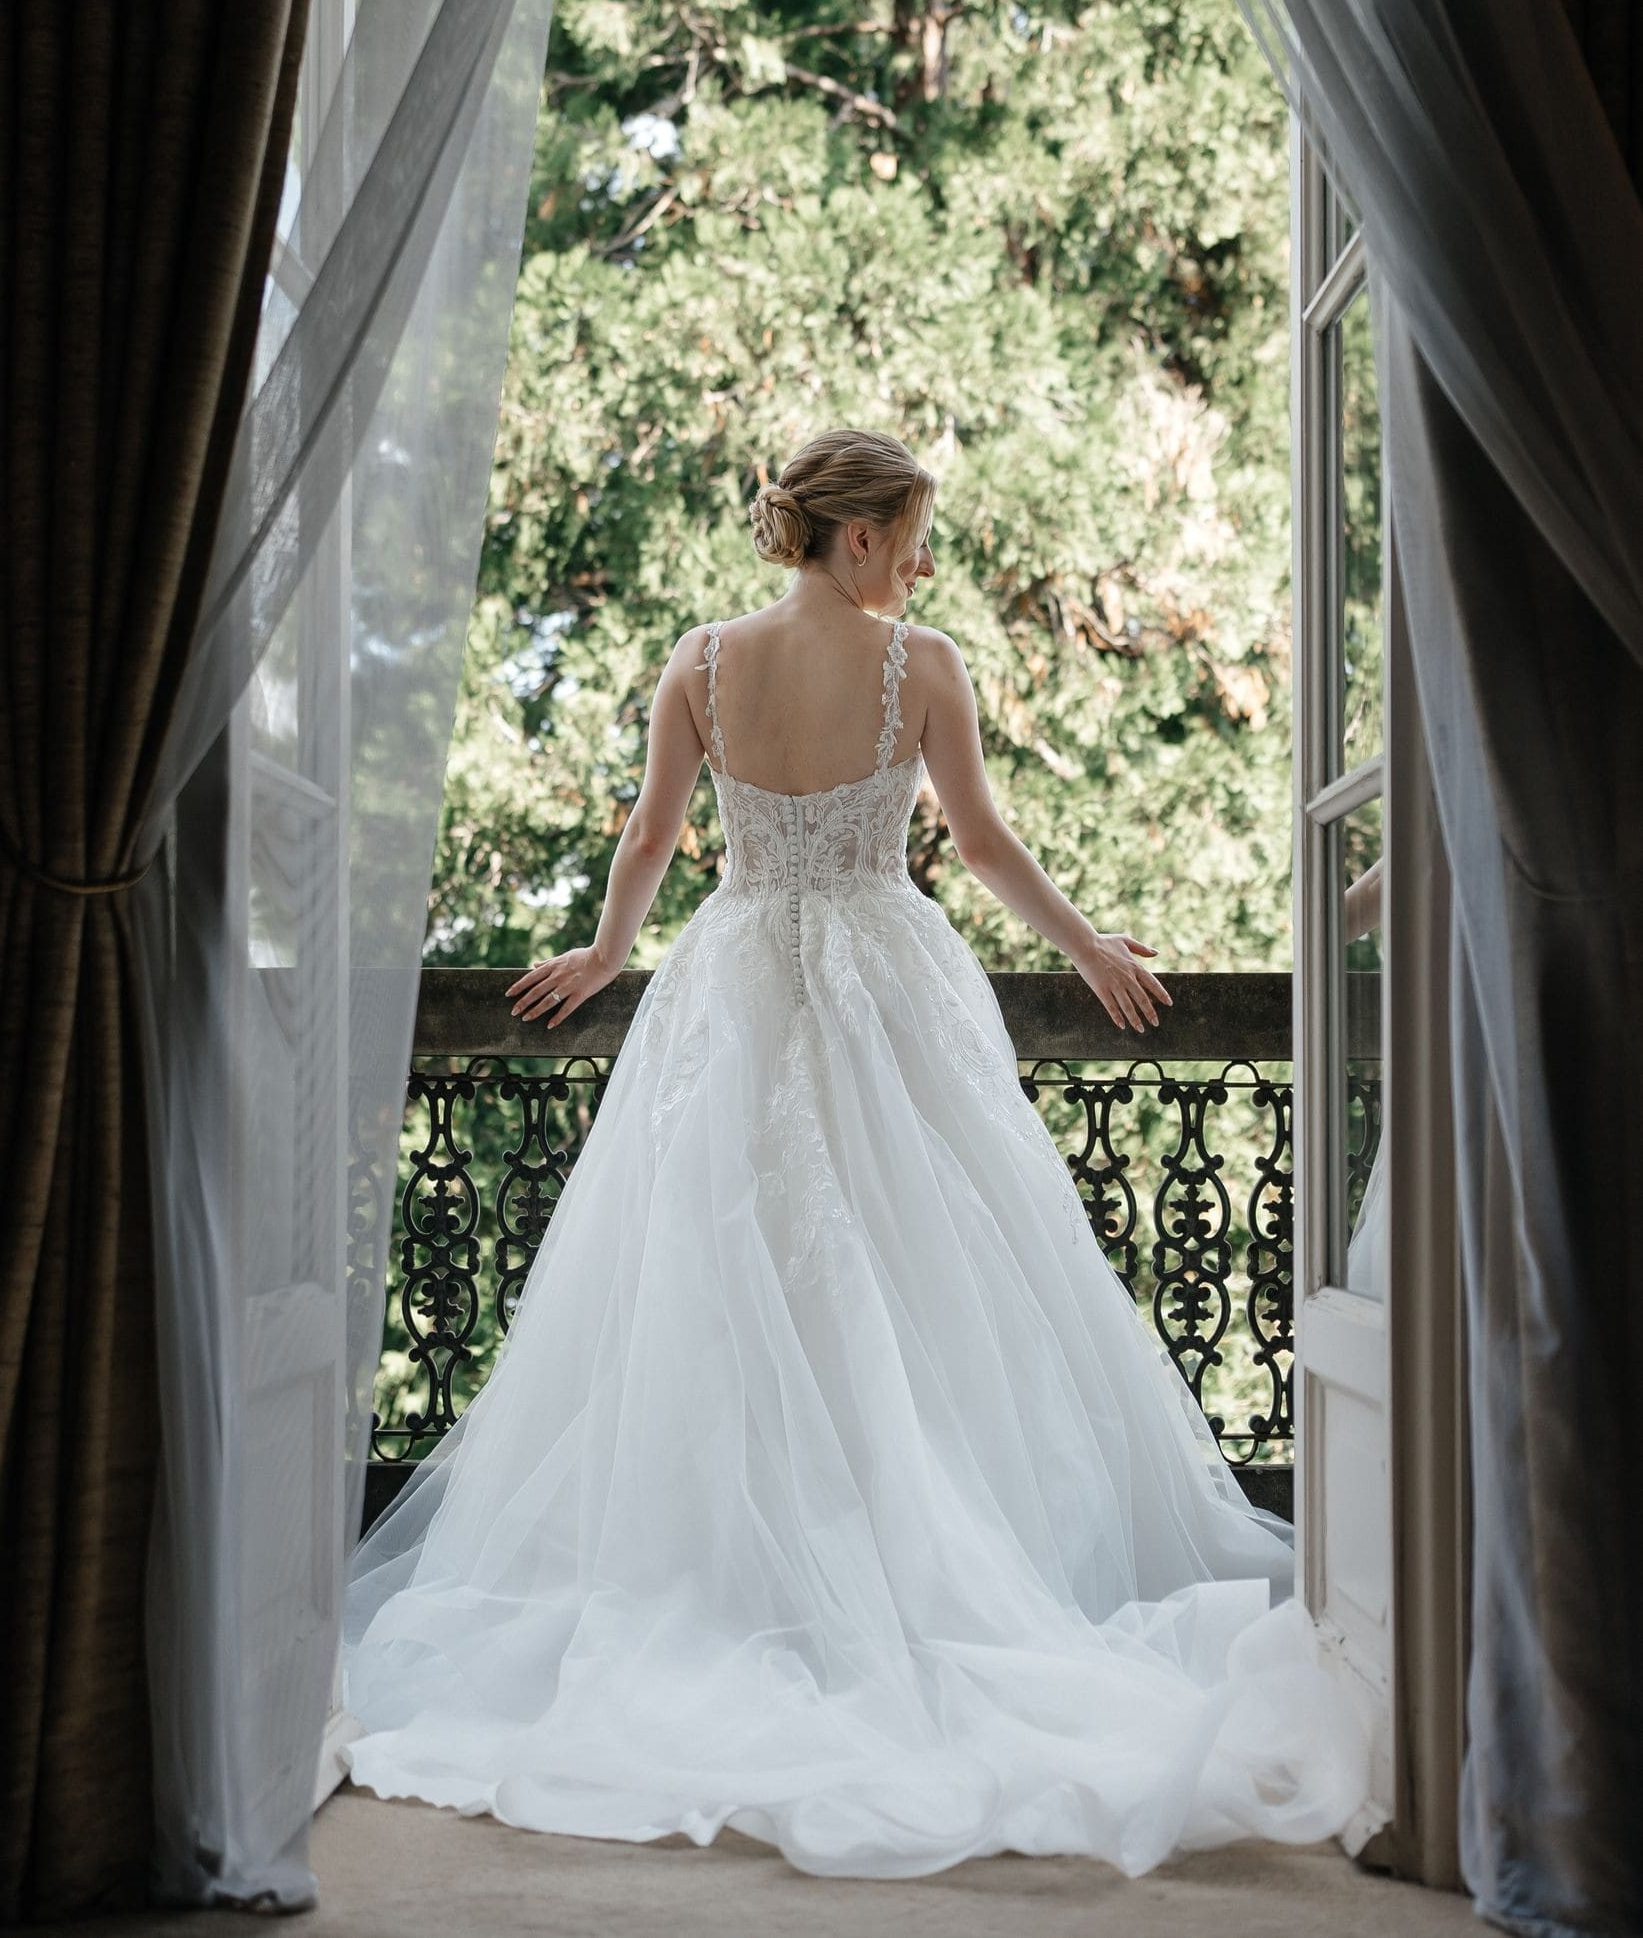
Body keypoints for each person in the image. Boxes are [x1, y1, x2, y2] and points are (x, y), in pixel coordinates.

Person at [340, 428, 1369, 1879]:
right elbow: (992, 846)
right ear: (865, 536)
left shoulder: (700, 662)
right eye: (917, 534)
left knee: (723, 1273)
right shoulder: (921, 664)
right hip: (888, 979)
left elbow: (646, 842)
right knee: (918, 1272)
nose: (925, 563)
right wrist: (1086, 950)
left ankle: (747, 1579)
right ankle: (906, 1575)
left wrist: (605, 952)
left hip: (740, 976)